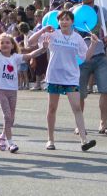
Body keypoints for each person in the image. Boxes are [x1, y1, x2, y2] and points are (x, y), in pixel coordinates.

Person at [29, 10, 100, 151]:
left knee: (77, 108)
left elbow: (86, 57)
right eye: (61, 19)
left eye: (67, 19)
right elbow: (31, 41)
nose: (64, 22)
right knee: (52, 108)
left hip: (71, 77)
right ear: (58, 22)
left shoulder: (77, 38)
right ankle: (50, 140)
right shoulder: (53, 34)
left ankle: (84, 140)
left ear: (72, 22)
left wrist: (93, 44)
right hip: (54, 76)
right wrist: (43, 29)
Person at [0, 30, 45, 153]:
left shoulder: (16, 58)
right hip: (2, 91)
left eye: (8, 43)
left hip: (13, 91)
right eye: (2, 43)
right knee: (7, 116)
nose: (5, 45)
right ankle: (10, 143)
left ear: (13, 45)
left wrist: (42, 48)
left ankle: (2, 137)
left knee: (11, 119)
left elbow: (30, 55)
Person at [76, 0, 107, 137]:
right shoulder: (75, 11)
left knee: (105, 90)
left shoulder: (101, 11)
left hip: (100, 56)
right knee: (80, 93)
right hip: (81, 59)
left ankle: (103, 124)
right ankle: (79, 125)